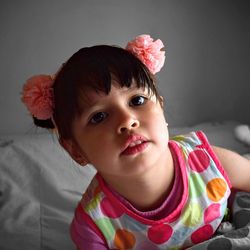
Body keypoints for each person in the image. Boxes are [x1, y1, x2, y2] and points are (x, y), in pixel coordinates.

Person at [21, 35, 250, 249]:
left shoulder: (209, 162)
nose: (127, 121)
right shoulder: (95, 227)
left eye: (137, 100)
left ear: (160, 108)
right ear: (75, 150)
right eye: (98, 116)